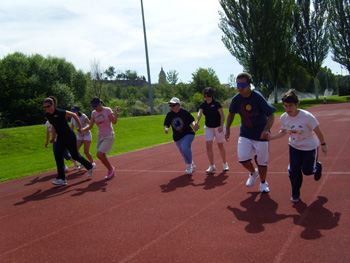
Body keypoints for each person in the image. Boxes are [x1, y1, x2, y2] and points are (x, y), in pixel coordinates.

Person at [268, 89, 328, 202]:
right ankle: (295, 194)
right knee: (294, 171)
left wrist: (324, 145)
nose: (287, 108)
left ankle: (317, 167)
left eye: (290, 105)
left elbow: (318, 131)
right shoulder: (284, 117)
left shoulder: (307, 117)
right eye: (285, 106)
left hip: (309, 147)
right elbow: (283, 132)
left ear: (297, 104)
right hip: (294, 146)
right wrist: (271, 137)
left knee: (307, 171)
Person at [225, 73, 276, 193]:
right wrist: (227, 129)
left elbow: (271, 115)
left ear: (249, 85)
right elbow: (231, 114)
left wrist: (265, 130)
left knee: (262, 162)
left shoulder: (257, 97)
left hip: (261, 135)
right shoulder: (236, 99)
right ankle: (253, 173)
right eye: (238, 85)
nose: (240, 88)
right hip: (245, 133)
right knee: (243, 159)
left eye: (242, 85)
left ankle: (263, 183)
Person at [43, 96, 94, 186]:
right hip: (60, 138)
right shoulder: (48, 115)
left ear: (53, 104)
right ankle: (62, 179)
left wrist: (79, 127)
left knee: (74, 154)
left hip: (69, 136)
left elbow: (74, 115)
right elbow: (53, 126)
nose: (47, 108)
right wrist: (53, 137)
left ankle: (89, 166)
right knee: (58, 156)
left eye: (48, 106)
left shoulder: (60, 112)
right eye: (45, 107)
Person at [82, 97, 119, 179]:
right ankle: (111, 172)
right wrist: (83, 129)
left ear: (100, 103)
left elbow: (114, 122)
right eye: (93, 107)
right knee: (101, 155)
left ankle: (110, 169)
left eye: (95, 106)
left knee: (99, 154)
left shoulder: (108, 110)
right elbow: (91, 125)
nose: (95, 108)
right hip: (100, 136)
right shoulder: (93, 113)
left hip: (109, 135)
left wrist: (116, 113)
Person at [194, 87, 229, 173]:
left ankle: (225, 163)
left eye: (208, 95)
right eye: (205, 95)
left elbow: (222, 115)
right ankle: (212, 165)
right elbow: (199, 114)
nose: (206, 97)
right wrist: (196, 122)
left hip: (218, 127)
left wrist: (221, 126)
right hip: (208, 127)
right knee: (208, 146)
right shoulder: (203, 104)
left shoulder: (216, 103)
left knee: (220, 146)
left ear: (212, 95)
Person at [164, 97, 196, 175]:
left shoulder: (184, 112)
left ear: (178, 105)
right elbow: (166, 124)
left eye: (173, 105)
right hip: (177, 136)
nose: (171, 107)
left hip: (188, 133)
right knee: (183, 151)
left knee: (185, 148)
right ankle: (191, 162)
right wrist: (166, 129)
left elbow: (192, 120)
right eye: (170, 105)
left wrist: (194, 125)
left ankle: (189, 166)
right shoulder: (169, 114)